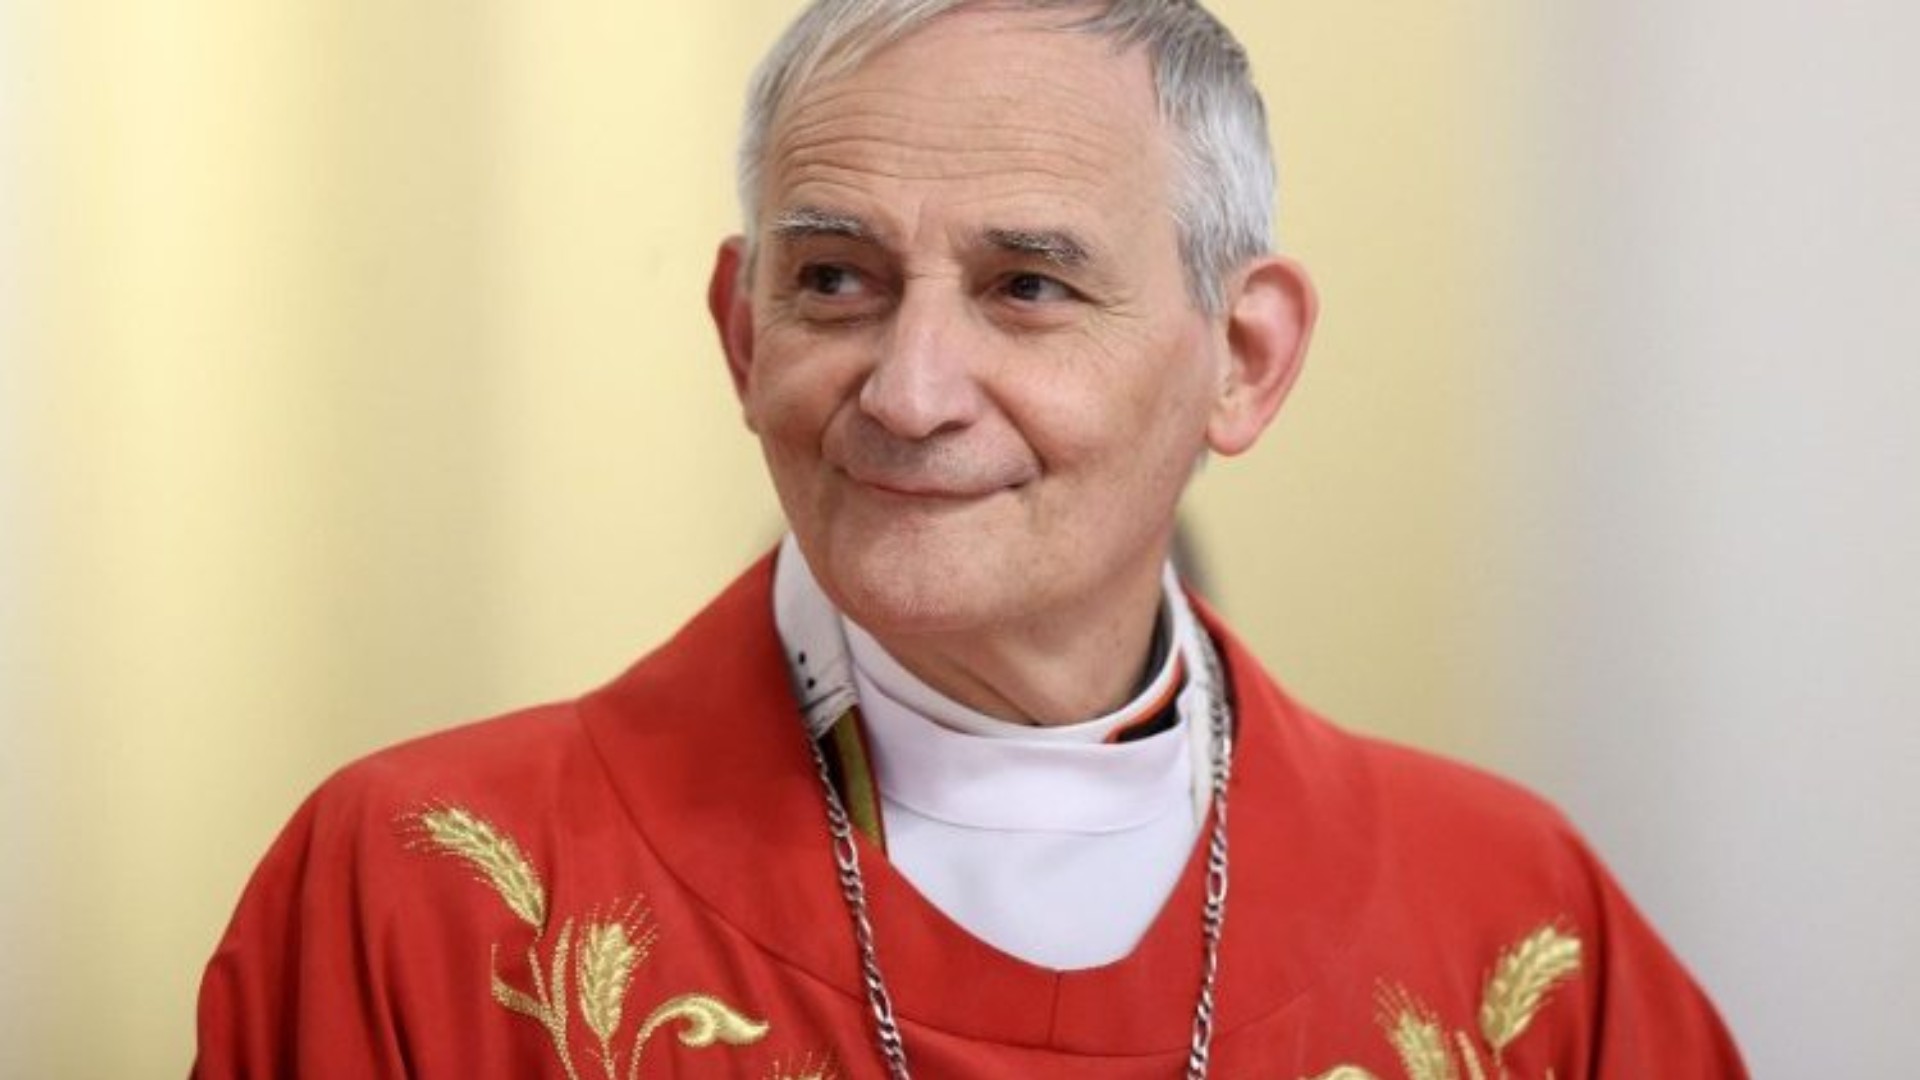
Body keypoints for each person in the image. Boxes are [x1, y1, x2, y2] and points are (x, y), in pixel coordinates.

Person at [194, 2, 1747, 1077]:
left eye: (1028, 287)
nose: (911, 393)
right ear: (741, 334)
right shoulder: (427, 893)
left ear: (1244, 358)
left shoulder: (1513, 924)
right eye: (835, 282)